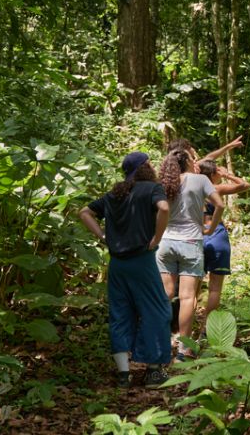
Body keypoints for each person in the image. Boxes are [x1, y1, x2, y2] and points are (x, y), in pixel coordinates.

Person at [78, 152, 171, 388]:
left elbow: (84, 212)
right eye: (149, 162)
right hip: (142, 260)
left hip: (117, 263)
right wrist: (156, 238)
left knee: (120, 313)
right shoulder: (151, 188)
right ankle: (153, 372)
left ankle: (123, 374)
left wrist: (103, 236)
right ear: (144, 167)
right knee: (156, 310)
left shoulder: (115, 194)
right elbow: (164, 208)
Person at [156, 148, 224, 361]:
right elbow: (220, 204)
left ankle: (159, 344)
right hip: (191, 242)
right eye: (192, 157)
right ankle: (183, 350)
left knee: (164, 296)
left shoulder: (164, 182)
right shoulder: (200, 180)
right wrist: (210, 229)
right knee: (187, 297)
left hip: (166, 243)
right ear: (186, 161)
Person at [197, 159, 250, 330]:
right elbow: (244, 184)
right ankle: (206, 328)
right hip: (216, 235)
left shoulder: (192, 188)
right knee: (215, 288)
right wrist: (228, 175)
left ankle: (185, 330)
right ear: (213, 174)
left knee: (191, 290)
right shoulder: (216, 188)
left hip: (197, 235)